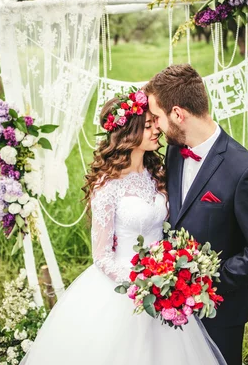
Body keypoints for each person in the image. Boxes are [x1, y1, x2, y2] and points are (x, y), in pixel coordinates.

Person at [20, 90, 226, 364]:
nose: (157, 130)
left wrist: (168, 276)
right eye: (148, 125)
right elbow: (102, 257)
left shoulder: (158, 173)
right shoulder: (108, 186)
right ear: (128, 132)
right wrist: (143, 284)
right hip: (127, 286)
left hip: (165, 281)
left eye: (156, 122)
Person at [145, 64, 248, 365]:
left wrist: (205, 280)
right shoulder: (174, 150)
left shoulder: (245, 171)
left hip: (219, 310)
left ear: (178, 115)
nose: (155, 126)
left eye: (157, 117)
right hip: (170, 306)